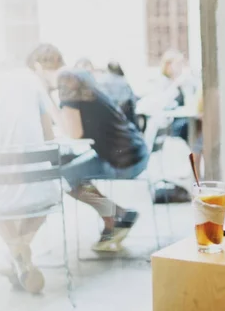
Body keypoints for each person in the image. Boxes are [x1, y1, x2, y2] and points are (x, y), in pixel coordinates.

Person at [27, 44, 149, 252]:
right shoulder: (78, 74)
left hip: (124, 160)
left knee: (67, 177)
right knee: (69, 172)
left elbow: (73, 133)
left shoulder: (66, 79)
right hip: (133, 151)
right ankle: (116, 217)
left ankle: (116, 215)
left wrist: (45, 98)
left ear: (38, 67)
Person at [0, 47, 60, 293]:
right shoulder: (29, 82)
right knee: (53, 188)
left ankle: (15, 249)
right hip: (39, 194)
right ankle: (20, 250)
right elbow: (49, 139)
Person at [96, 60, 138, 127]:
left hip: (110, 115)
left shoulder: (102, 80)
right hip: (125, 116)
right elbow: (132, 100)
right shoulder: (123, 80)